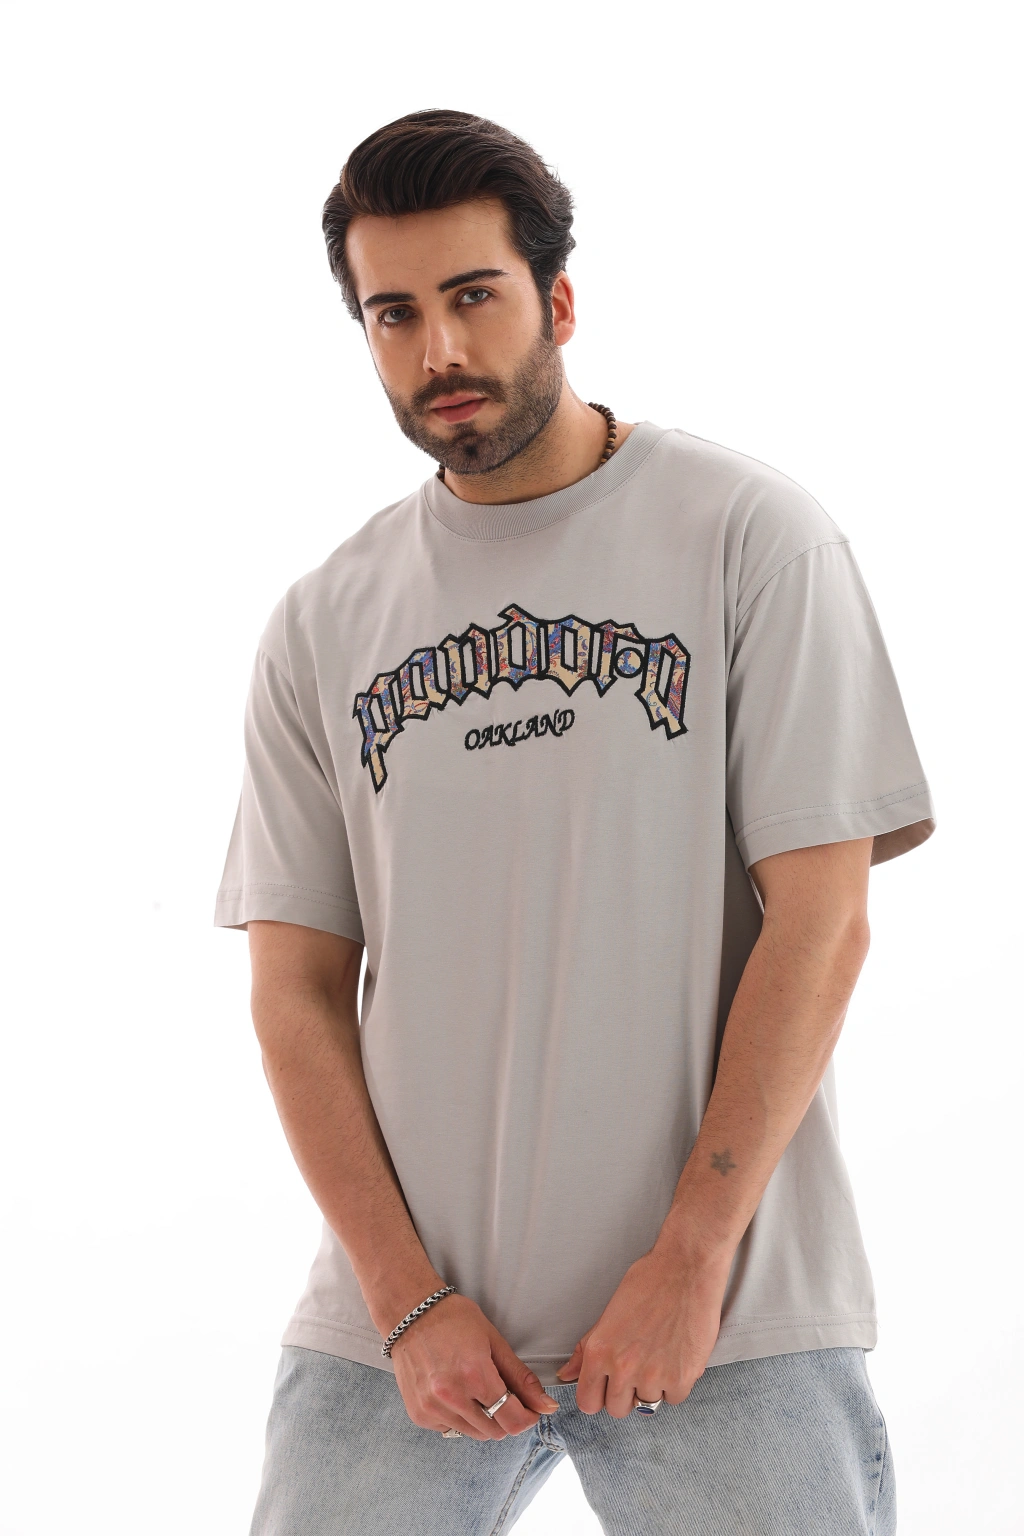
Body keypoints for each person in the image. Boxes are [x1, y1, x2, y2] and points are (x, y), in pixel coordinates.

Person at [214, 108, 934, 1534]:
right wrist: (403, 1299)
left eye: (473, 296)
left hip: (724, 1311)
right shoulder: (323, 621)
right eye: (394, 314)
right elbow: (294, 993)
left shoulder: (750, 538)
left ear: (557, 300)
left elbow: (823, 919)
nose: (440, 352)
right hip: (407, 1328)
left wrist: (693, 1256)